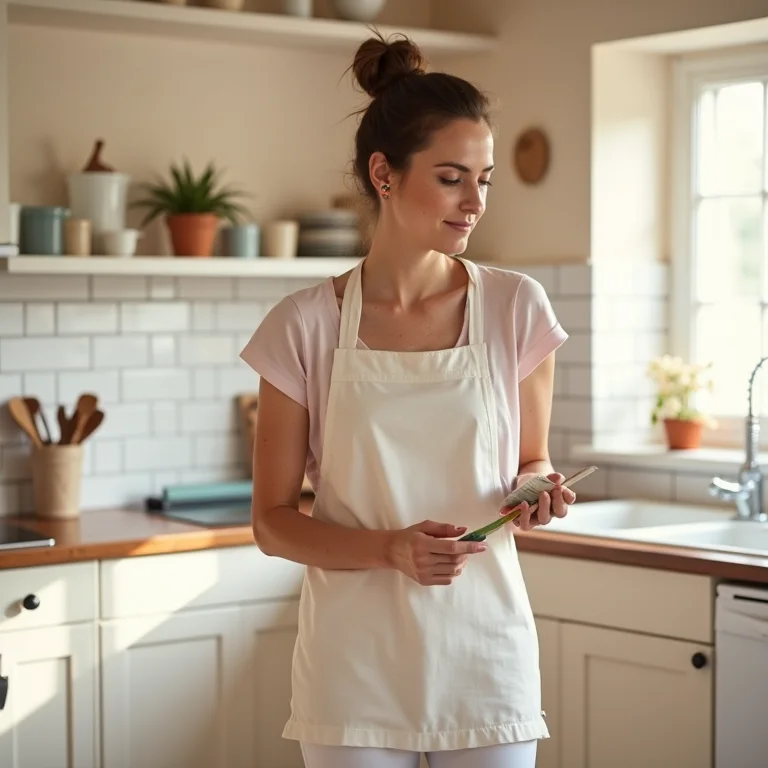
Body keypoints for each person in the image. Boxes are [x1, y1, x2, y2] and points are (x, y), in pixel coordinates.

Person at [239, 31, 576, 768]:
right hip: (353, 665)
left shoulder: (516, 308)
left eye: (485, 180)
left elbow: (530, 459)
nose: (474, 203)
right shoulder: (304, 325)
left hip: (485, 651)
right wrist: (390, 549)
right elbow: (272, 523)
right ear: (383, 174)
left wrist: (536, 490)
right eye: (452, 178)